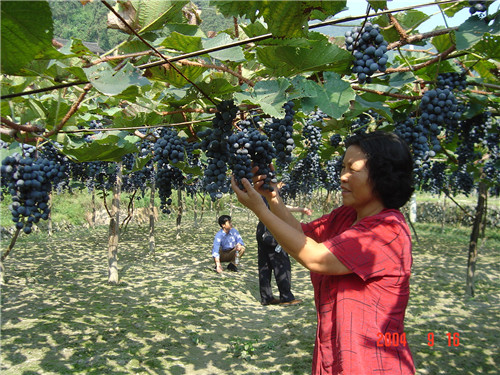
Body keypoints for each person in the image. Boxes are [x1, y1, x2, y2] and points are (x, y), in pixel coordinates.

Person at [231, 131, 416, 374]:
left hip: (372, 363)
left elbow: (315, 257)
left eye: (353, 169)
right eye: (342, 168)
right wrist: (272, 196)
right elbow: (300, 234)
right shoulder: (347, 216)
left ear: (383, 172)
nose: (343, 177)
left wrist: (260, 209)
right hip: (336, 353)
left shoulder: (387, 230)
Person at [257, 197, 312, 306]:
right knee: (282, 264)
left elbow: (279, 207)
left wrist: (300, 209)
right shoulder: (270, 191)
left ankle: (266, 298)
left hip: (261, 230)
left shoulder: (261, 192)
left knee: (265, 266)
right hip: (271, 232)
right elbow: (279, 208)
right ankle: (286, 297)